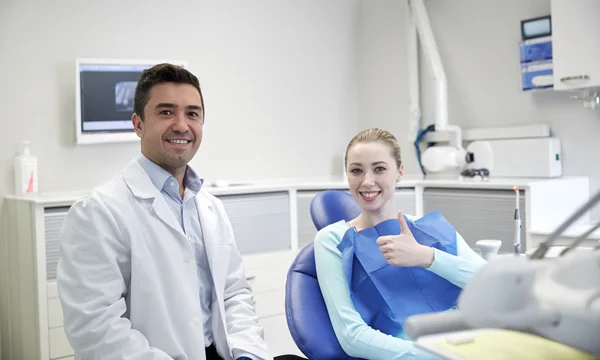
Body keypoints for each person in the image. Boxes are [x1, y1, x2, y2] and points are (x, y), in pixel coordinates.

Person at [57, 63, 304, 360]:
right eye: (165, 112)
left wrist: (247, 353)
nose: (182, 125)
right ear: (138, 124)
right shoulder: (98, 212)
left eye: (192, 113)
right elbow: (96, 329)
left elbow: (234, 293)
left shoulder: (211, 208)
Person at [314, 128, 487, 360]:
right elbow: (352, 336)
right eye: (356, 171)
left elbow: (491, 282)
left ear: (400, 172)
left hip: (474, 342)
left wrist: (427, 257)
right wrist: (438, 355)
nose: (367, 181)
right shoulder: (332, 240)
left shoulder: (428, 228)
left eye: (380, 169)